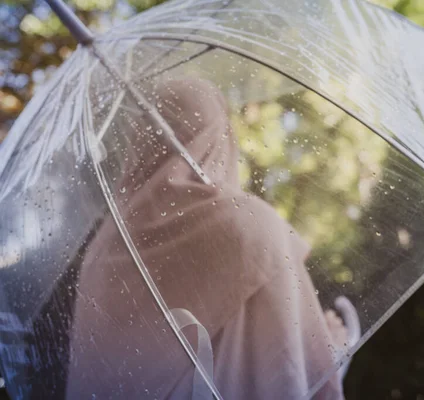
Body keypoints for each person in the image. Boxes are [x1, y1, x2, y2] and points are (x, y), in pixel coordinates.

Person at [67, 78, 348, 399]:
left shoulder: (101, 254)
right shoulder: (250, 228)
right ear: (219, 139)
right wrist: (331, 350)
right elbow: (291, 376)